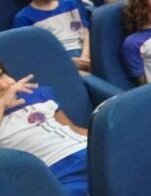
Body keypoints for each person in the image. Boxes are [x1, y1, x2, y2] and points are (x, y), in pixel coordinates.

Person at [0, 62, 90, 196]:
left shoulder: (36, 96)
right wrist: (2, 104)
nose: (3, 85)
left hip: (88, 151)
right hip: (57, 172)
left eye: (1, 75)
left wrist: (106, 142)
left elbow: (72, 128)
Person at [12, 0, 91, 71]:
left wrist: (85, 55)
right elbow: (32, 53)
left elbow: (81, 31)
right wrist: (70, 62)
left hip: (84, 54)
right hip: (58, 63)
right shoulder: (24, 18)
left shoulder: (69, 3)